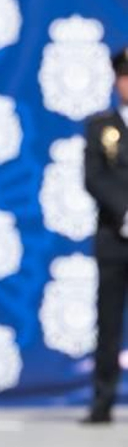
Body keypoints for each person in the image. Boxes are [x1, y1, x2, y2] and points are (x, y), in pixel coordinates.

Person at [82, 45, 128, 424]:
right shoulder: (101, 127)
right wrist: (125, 212)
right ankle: (102, 399)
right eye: (125, 77)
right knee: (108, 322)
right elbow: (94, 177)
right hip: (114, 237)